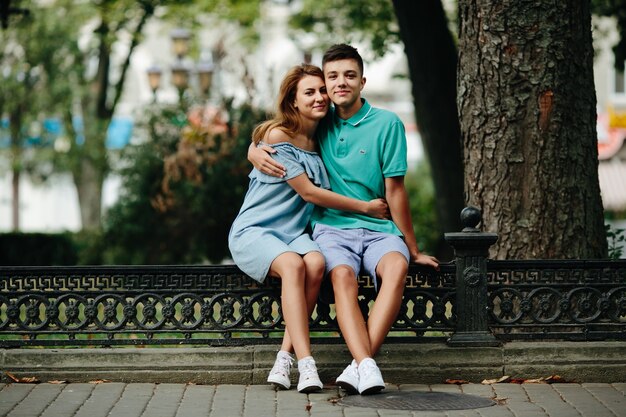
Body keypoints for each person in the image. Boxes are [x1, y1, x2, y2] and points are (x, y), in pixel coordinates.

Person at [249, 44, 439, 395]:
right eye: (331, 77)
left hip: (381, 229)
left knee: (397, 268)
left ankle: (359, 364)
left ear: (362, 81)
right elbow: (278, 133)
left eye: (348, 76)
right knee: (340, 274)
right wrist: (255, 148)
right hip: (332, 228)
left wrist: (412, 247)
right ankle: (367, 365)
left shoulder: (388, 123)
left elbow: (395, 191)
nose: (338, 84)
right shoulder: (318, 122)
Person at [228, 64, 390, 394]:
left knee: (315, 263)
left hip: (293, 233)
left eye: (321, 91)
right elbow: (309, 193)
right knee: (292, 264)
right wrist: (366, 207)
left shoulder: (322, 137)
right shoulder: (277, 135)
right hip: (256, 230)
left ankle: (283, 358)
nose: (318, 97)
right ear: (293, 101)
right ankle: (306, 364)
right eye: (309, 92)